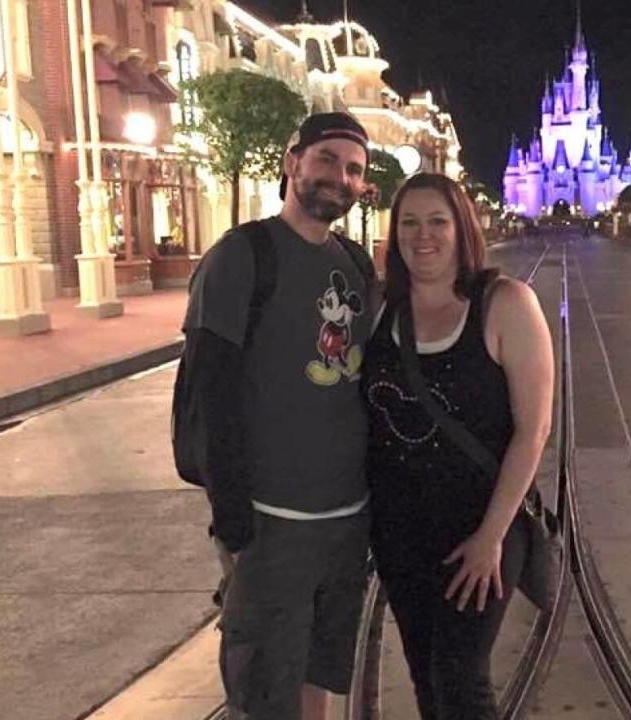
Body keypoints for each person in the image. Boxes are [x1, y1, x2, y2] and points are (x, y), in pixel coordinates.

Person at [179, 112, 375, 720]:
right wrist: (233, 520)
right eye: (325, 160)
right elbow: (212, 390)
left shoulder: (357, 265)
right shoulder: (242, 255)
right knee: (265, 691)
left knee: (321, 673)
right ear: (292, 163)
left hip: (346, 521)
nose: (338, 178)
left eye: (353, 169)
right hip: (272, 523)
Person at [362, 173, 555, 719]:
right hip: (399, 530)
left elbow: (533, 430)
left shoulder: (505, 303)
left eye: (438, 221)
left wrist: (491, 536)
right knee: (425, 672)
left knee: (459, 676)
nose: (423, 236)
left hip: (482, 527)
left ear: (462, 228)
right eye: (410, 222)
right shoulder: (380, 308)